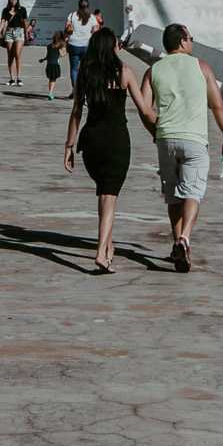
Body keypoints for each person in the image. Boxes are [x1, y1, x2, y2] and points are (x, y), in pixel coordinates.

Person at [64, 26, 157, 273]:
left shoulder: (85, 71)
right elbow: (144, 109)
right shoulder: (124, 71)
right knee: (109, 197)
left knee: (104, 194)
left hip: (91, 141)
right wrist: (161, 130)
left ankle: (109, 247)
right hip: (116, 141)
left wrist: (69, 146)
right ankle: (101, 253)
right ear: (112, 47)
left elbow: (76, 112)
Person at [147, 22, 223, 272]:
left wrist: (155, 130)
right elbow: (218, 106)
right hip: (194, 140)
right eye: (191, 38)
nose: (192, 42)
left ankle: (177, 246)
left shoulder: (154, 70)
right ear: (183, 42)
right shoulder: (202, 67)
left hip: (166, 139)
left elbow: (144, 106)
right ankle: (185, 238)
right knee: (192, 193)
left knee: (173, 196)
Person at [63, 0, 102, 99]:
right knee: (86, 69)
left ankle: (75, 91)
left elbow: (66, 29)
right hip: (86, 46)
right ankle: (84, 92)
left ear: (78, 6)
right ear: (88, 6)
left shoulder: (72, 15)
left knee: (74, 69)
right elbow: (96, 30)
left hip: (73, 45)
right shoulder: (92, 17)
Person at [0, 0, 29, 87]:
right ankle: (11, 78)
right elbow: (3, 22)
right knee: (10, 55)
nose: (13, 1)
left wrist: (26, 33)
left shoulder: (22, 9)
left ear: (18, 0)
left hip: (19, 32)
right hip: (9, 32)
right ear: (9, 0)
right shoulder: (5, 10)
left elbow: (25, 22)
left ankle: (19, 77)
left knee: (17, 53)